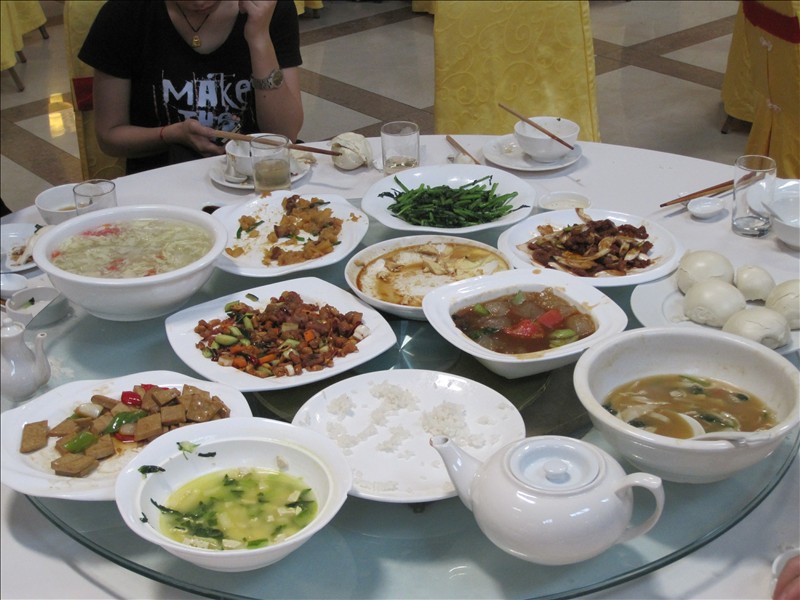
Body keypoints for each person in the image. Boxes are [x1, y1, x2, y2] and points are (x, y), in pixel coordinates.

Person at [78, 0, 303, 175]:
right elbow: (110, 137)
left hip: (257, 174)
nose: (199, 2)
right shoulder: (125, 12)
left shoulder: (267, 8)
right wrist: (171, 135)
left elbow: (284, 135)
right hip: (163, 177)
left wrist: (259, 37)